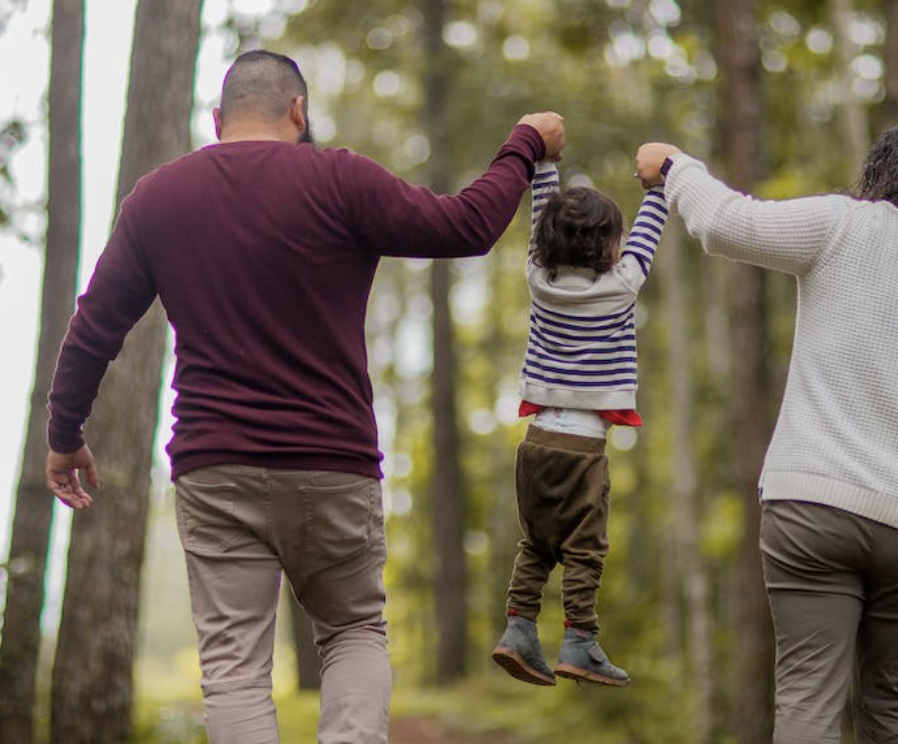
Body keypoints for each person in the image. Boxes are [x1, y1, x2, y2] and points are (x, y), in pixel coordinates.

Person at [44, 49, 564, 744]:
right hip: (333, 464)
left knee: (233, 669)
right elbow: (467, 227)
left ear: (216, 118)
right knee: (352, 630)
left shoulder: (159, 197)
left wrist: (64, 432)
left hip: (215, 465)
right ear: (299, 111)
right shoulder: (340, 178)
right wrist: (524, 143)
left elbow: (94, 325)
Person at [635, 113, 898, 743]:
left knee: (808, 702)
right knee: (895, 714)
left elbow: (725, 223)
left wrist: (675, 165)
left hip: (812, 506)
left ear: (891, 171)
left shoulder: (844, 225)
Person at [490, 160, 668, 687]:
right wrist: (658, 185)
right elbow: (649, 230)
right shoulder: (622, 286)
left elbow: (537, 218)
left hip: (537, 442)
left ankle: (518, 628)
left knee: (536, 544)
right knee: (584, 549)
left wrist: (544, 163)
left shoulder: (537, 280)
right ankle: (579, 640)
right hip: (583, 449)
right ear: (609, 247)